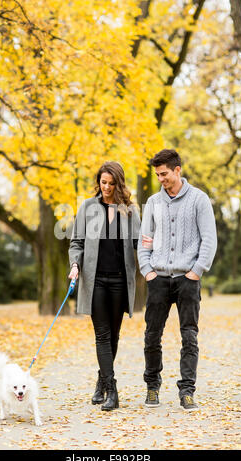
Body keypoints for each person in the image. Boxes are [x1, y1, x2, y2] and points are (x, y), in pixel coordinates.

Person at [137, 149, 217, 411]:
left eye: (165, 174)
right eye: (157, 175)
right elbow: (144, 241)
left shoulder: (199, 200)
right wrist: (147, 270)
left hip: (187, 279)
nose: (161, 179)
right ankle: (152, 387)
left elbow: (209, 239)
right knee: (151, 335)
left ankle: (187, 391)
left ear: (177, 170)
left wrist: (196, 271)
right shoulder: (153, 203)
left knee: (189, 336)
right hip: (158, 278)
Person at [68, 161, 140, 411]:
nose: (106, 187)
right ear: (98, 181)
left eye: (111, 183)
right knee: (102, 334)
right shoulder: (88, 207)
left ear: (118, 183)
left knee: (114, 335)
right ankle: (112, 389)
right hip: (95, 279)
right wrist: (75, 265)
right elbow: (76, 242)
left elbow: (139, 244)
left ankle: (101, 381)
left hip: (120, 280)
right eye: (103, 182)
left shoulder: (129, 210)